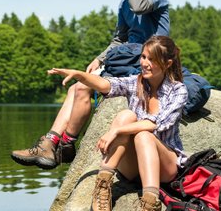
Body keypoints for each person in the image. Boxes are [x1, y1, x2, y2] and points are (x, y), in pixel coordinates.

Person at [11, 0, 170, 169]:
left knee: (83, 88)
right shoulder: (125, 3)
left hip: (148, 61)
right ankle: (51, 142)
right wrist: (100, 59)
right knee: (76, 87)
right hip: (126, 60)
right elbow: (119, 39)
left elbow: (140, 6)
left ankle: (66, 144)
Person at [48, 35, 187, 211]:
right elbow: (107, 85)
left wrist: (116, 131)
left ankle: (150, 203)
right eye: (143, 57)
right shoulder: (136, 82)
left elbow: (155, 124)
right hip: (133, 167)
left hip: (163, 168)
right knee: (126, 115)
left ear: (167, 63)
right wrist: (79, 75)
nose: (145, 63)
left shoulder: (178, 91)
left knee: (143, 135)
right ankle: (102, 186)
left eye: (152, 59)